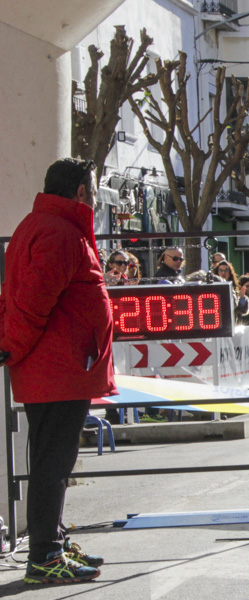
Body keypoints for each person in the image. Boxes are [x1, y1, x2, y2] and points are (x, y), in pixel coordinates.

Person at [0, 158, 111, 583]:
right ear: (81, 192)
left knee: (53, 462)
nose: (96, 196)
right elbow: (30, 304)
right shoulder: (60, 233)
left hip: (56, 368)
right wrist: (10, 347)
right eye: (93, 189)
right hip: (58, 369)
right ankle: (44, 555)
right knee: (52, 465)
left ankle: (52, 543)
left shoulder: (42, 226)